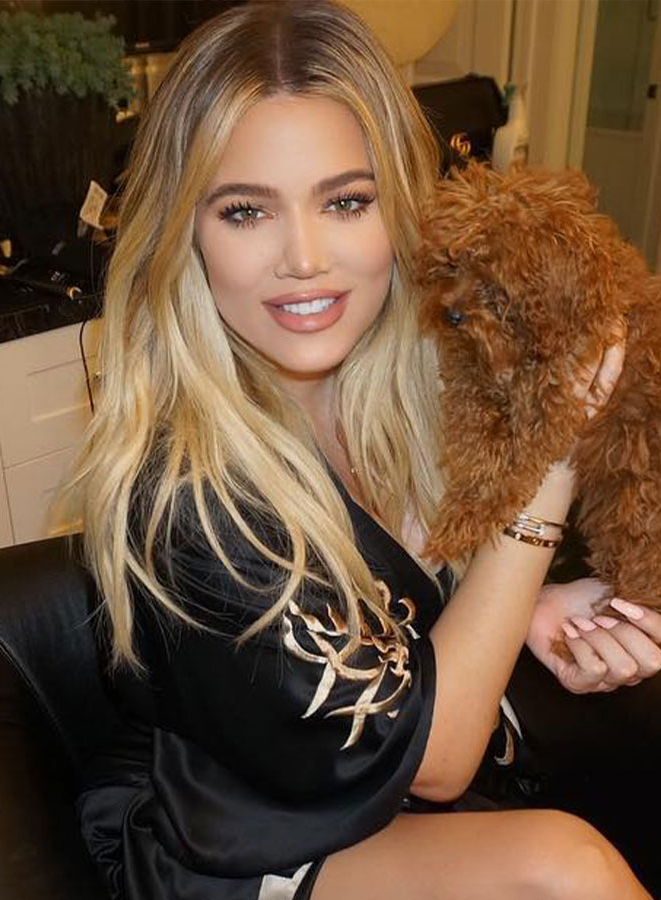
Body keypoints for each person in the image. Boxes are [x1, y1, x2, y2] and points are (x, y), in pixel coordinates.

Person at [63, 2, 661, 899]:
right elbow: (437, 759)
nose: (305, 258)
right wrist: (555, 460)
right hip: (240, 843)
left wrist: (528, 611)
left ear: (402, 211)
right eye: (245, 211)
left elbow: (394, 626)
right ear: (184, 230)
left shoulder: (419, 389)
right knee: (561, 868)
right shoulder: (184, 498)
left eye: (346, 201)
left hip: (367, 809)